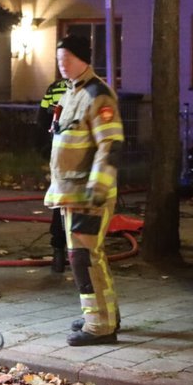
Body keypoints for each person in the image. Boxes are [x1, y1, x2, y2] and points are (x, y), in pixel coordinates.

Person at [44, 34, 125, 345]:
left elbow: (110, 143)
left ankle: (99, 325)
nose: (62, 65)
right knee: (86, 255)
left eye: (67, 59)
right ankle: (102, 314)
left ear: (83, 59)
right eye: (58, 60)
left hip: (87, 193)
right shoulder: (70, 93)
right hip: (70, 191)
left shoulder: (97, 94)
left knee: (83, 257)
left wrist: (99, 185)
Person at [38, 74, 70, 274]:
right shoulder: (93, 89)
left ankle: (58, 253)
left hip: (58, 154)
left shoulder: (53, 88)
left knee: (60, 205)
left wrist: (44, 148)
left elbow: (41, 120)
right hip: (81, 160)